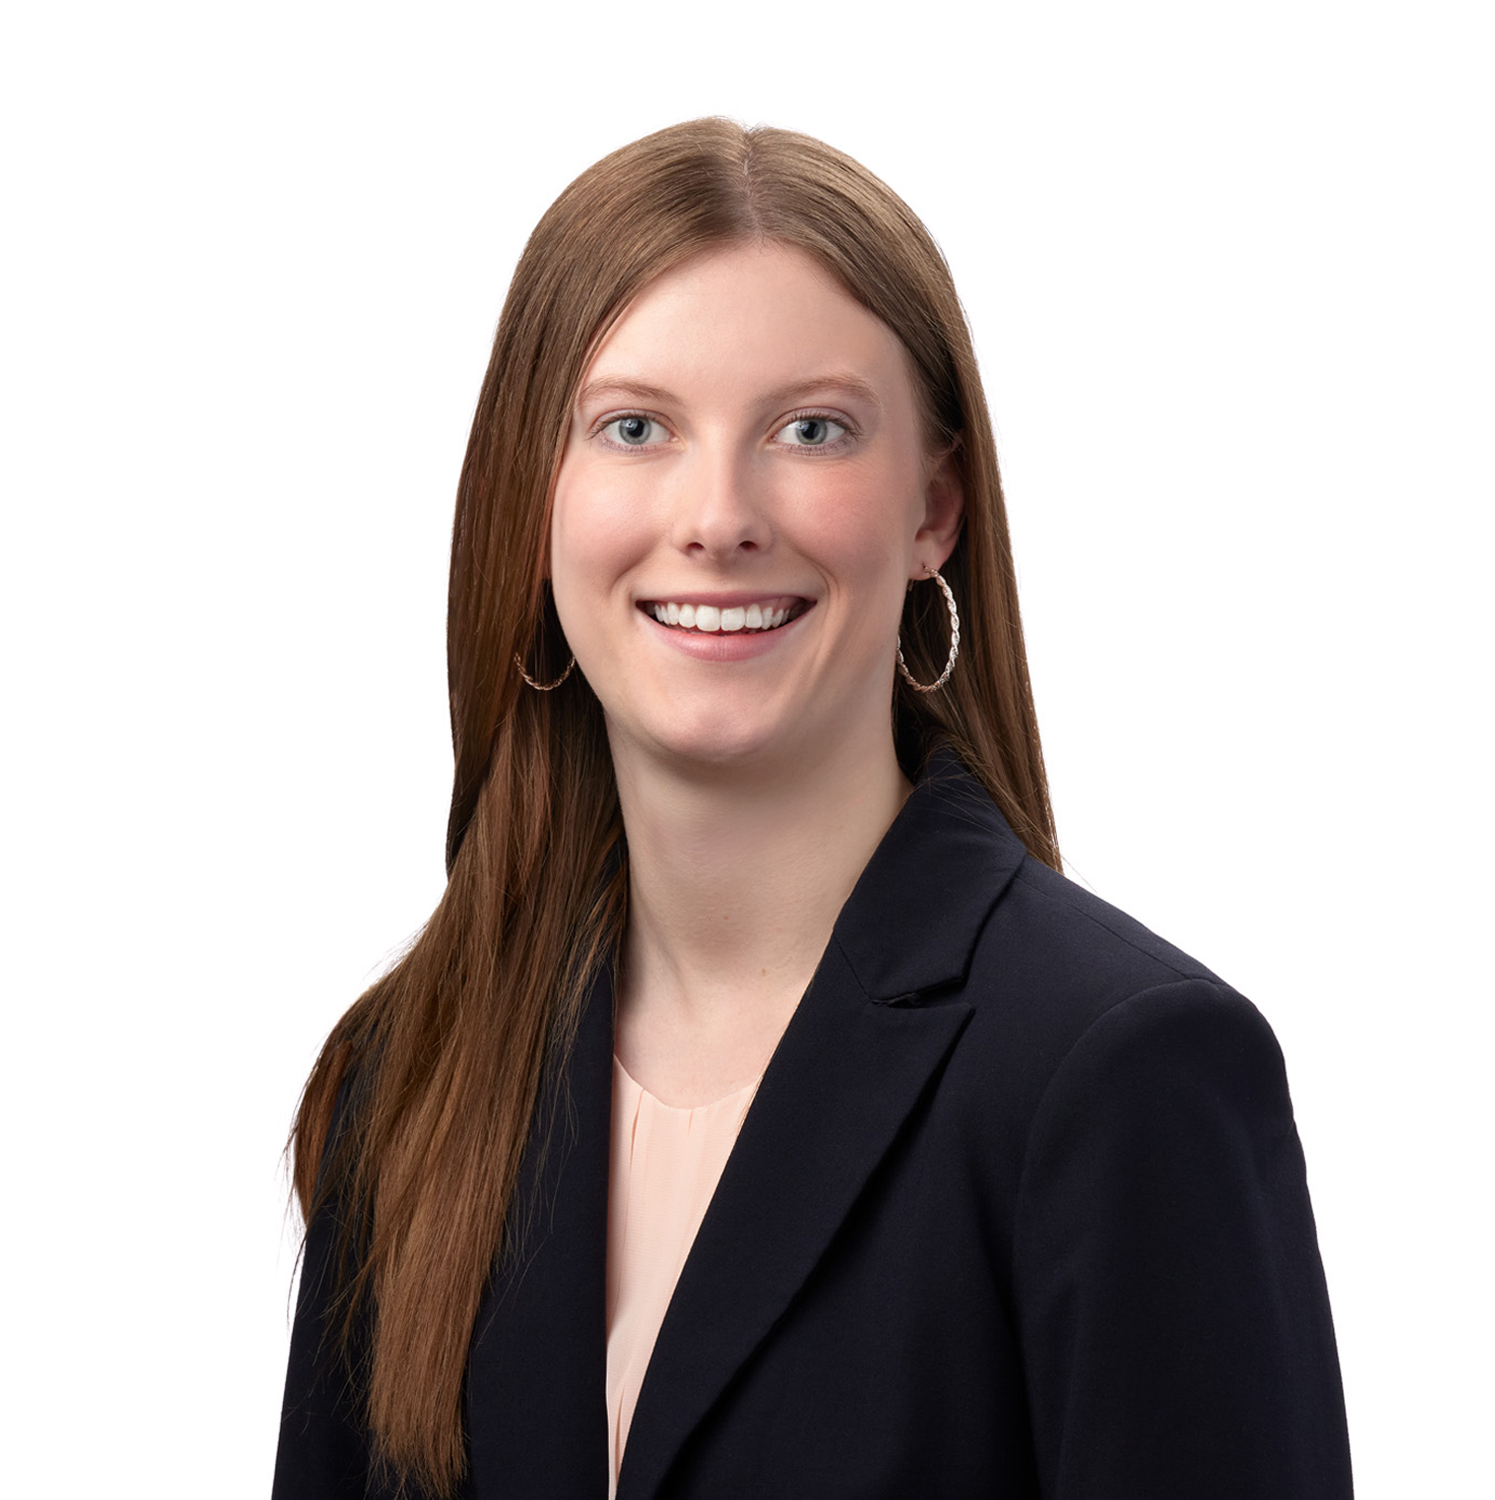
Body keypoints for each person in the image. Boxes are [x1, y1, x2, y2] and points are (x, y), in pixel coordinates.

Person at [272, 119, 1353, 1500]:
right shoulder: (415, 1078)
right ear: (532, 504)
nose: (718, 514)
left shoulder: (1117, 1076)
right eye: (634, 426)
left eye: (812, 429)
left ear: (933, 510)